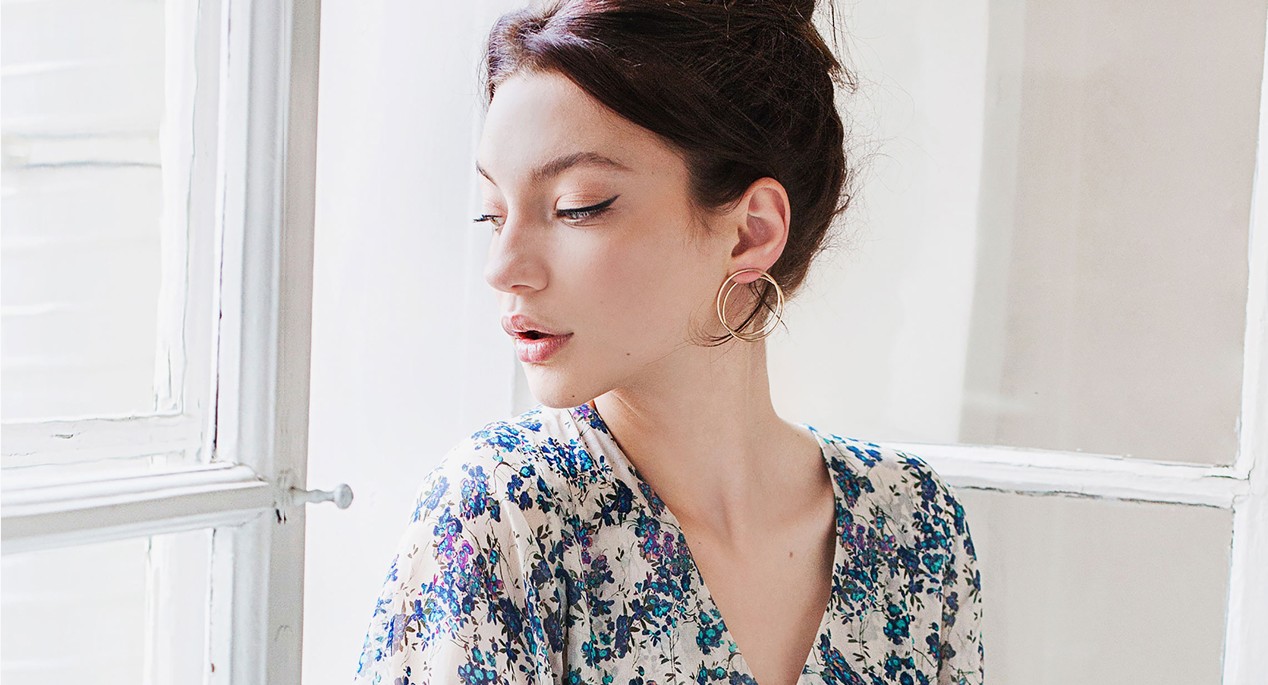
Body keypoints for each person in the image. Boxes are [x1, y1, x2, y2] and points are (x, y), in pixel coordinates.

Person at [354, 0, 983, 683]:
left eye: (577, 207)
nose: (502, 266)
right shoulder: (500, 511)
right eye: (493, 213)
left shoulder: (913, 524)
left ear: (751, 231)